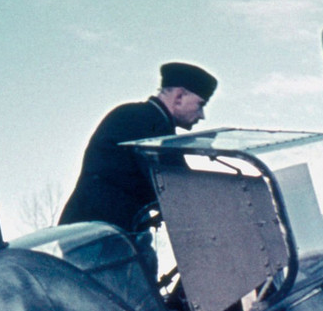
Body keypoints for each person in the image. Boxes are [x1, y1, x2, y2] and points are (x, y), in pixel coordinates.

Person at [58, 62, 218, 231]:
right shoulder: (150, 124)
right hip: (98, 231)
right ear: (179, 97)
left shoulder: (138, 117)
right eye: (201, 105)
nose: (202, 115)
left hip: (93, 228)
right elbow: (177, 185)